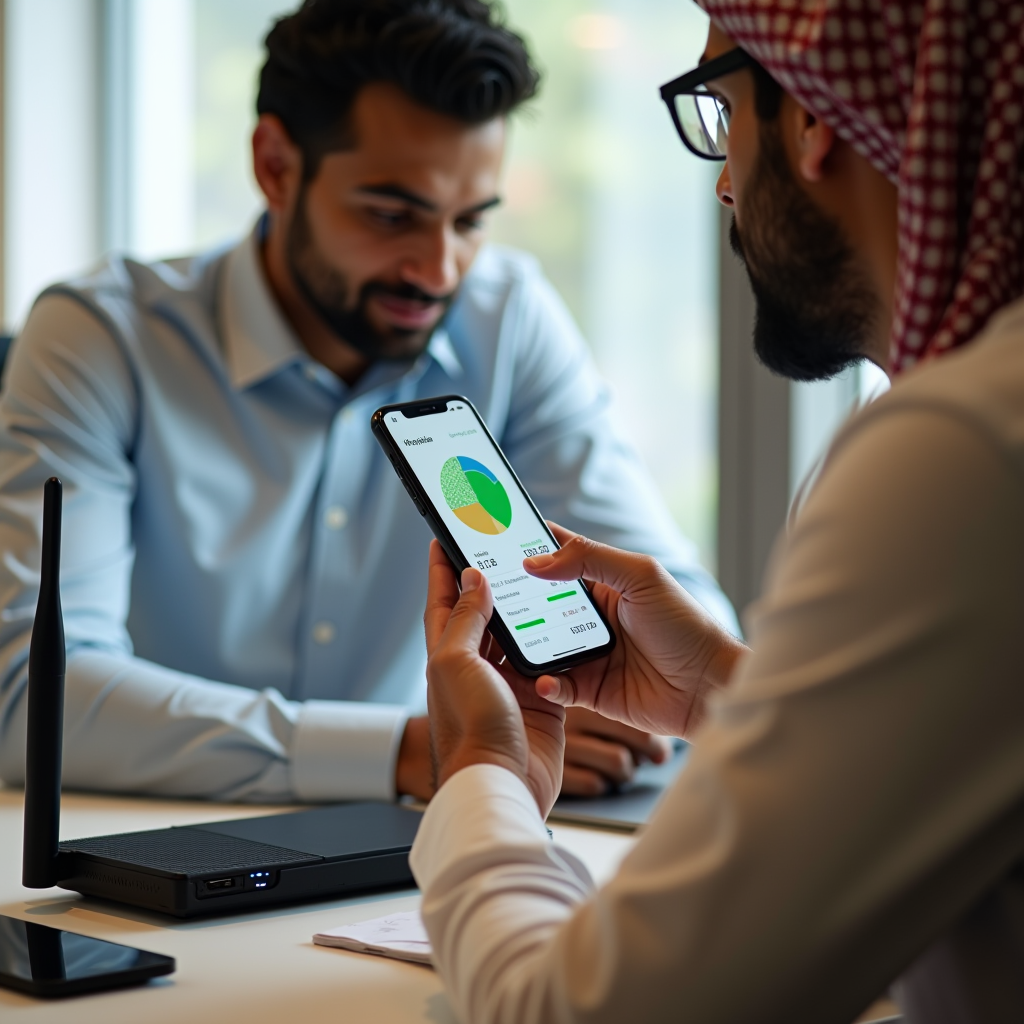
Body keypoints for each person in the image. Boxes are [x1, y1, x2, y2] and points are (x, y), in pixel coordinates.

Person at [412, 2, 1024, 1022]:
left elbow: (572, 1013)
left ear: (817, 118)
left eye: (719, 108)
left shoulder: (964, 454)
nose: (724, 182)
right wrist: (722, 697)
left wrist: (482, 776)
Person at [0, 0, 736, 804]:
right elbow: (28, 701)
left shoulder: (509, 316)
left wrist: (623, 692)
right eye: (393, 215)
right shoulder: (100, 335)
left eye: (470, 221)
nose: (439, 269)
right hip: (152, 846)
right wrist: (409, 749)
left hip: (430, 850)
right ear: (276, 165)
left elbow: (680, 618)